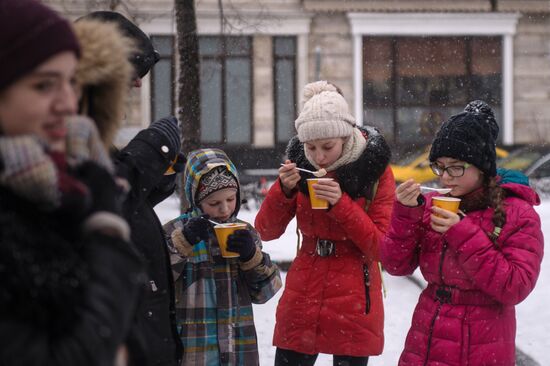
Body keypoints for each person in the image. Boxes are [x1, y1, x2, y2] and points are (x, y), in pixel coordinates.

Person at [0, 0, 144, 364]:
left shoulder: (55, 192)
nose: (67, 102)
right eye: (44, 85)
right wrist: (106, 227)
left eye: (71, 82)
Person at [381, 101, 544, 366]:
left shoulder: (518, 213)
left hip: (482, 342)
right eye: (440, 166)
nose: (445, 177)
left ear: (481, 167)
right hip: (426, 337)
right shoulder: (433, 205)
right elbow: (396, 265)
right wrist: (405, 213)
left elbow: (515, 287)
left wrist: (462, 233)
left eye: (456, 167)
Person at [255, 81, 395, 365]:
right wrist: (283, 191)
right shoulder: (300, 165)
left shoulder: (375, 170)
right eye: (310, 147)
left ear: (345, 137)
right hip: (305, 286)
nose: (318, 157)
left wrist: (341, 205)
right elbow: (265, 231)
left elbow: (382, 247)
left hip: (355, 291)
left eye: (327, 147)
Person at [73, 12, 184, 366]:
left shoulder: (91, 134)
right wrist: (148, 152)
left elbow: (113, 199)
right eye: (131, 70)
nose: (137, 86)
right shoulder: (63, 135)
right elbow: (86, 204)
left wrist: (155, 180)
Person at [163, 148, 282, 365]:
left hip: (239, 352)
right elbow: (154, 283)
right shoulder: (175, 231)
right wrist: (183, 243)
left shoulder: (245, 232)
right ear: (195, 199)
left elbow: (266, 292)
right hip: (194, 352)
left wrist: (251, 257)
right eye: (214, 203)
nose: (225, 209)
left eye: (230, 198)